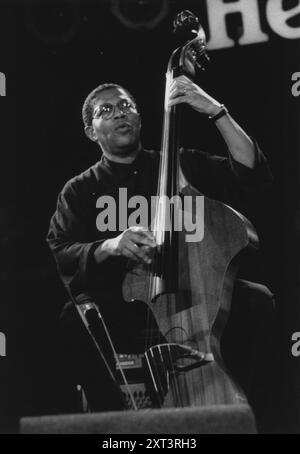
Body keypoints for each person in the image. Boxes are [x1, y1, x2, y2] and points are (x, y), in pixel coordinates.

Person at [47, 77, 275, 427]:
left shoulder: (182, 167)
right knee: (72, 318)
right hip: (126, 310)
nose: (119, 113)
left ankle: (243, 411)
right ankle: (115, 422)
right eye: (105, 111)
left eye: (126, 105)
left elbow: (249, 171)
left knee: (256, 299)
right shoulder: (80, 190)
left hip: (193, 299)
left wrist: (216, 111)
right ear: (91, 132)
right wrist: (110, 245)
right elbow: (62, 249)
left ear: (139, 117)